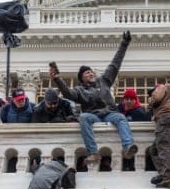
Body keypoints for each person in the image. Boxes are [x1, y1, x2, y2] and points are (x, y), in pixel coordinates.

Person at [52, 31, 137, 167]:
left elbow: (115, 64)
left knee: (121, 117)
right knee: (84, 117)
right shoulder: (80, 90)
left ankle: (128, 146)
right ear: (82, 78)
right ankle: (93, 152)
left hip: (110, 114)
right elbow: (68, 93)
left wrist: (124, 44)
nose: (91, 73)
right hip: (94, 116)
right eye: (87, 73)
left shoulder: (104, 81)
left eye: (91, 71)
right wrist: (57, 79)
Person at [147, 82, 170, 189]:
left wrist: (151, 101)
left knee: (164, 147)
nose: (151, 95)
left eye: (151, 93)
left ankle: (168, 178)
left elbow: (157, 98)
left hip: (166, 116)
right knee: (154, 150)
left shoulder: (163, 87)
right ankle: (163, 174)